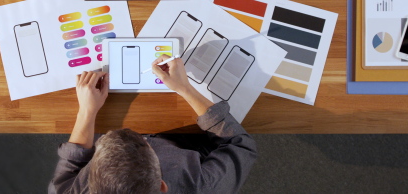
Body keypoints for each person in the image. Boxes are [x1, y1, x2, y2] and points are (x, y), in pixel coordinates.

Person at [48, 55, 257, 194]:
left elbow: (72, 165)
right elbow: (240, 146)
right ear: (162, 187)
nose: (143, 136)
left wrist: (87, 110)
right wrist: (186, 89)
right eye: (144, 144)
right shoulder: (204, 188)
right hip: (188, 139)